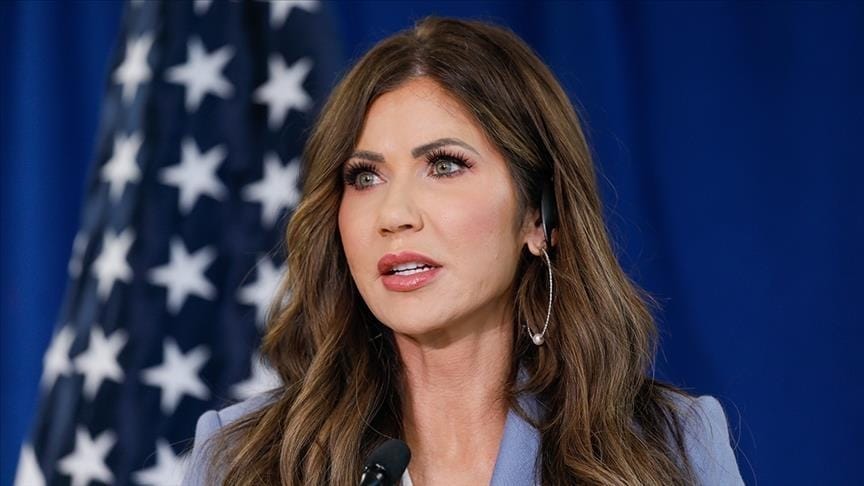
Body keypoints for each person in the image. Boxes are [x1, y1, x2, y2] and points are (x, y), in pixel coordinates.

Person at [183, 17, 744, 486]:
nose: (394, 213)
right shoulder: (242, 459)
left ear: (538, 218)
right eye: (364, 177)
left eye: (444, 166)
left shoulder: (671, 447)